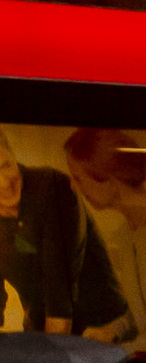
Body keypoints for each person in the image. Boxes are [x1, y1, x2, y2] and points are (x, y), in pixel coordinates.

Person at [63, 129, 146, 349]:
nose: (72, 186)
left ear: (109, 182)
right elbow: (144, 313)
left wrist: (119, 353)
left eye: (78, 178)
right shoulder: (126, 232)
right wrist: (113, 330)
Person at [0, 144, 130, 338]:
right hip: (45, 332)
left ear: (13, 154)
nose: (3, 183)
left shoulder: (51, 187)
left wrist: (47, 359)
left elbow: (59, 290)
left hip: (103, 330)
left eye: (5, 166)